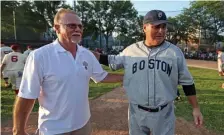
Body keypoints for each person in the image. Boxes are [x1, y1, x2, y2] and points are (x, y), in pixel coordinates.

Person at [13, 8, 123, 135]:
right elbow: (27, 95)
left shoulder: (86, 54)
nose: (77, 29)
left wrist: (128, 77)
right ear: (57, 28)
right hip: (53, 129)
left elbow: (102, 76)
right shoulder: (40, 56)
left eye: (80, 26)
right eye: (72, 25)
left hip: (83, 125)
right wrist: (18, 130)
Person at [93, 10, 203, 135]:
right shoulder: (131, 50)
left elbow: (187, 82)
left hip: (164, 113)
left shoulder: (175, 53)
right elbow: (112, 61)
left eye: (164, 26)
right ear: (144, 28)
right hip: (136, 113)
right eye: (156, 26)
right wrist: (93, 55)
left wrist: (196, 108)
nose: (161, 31)